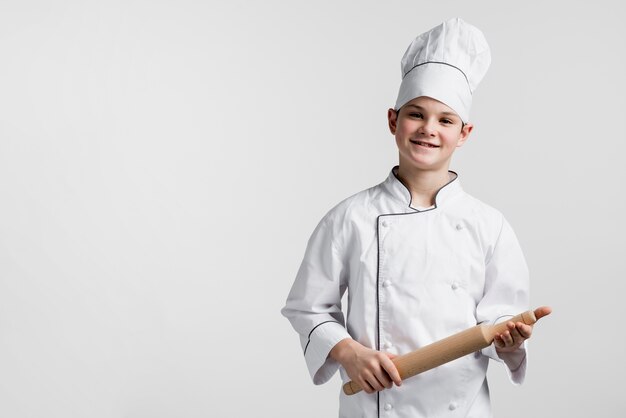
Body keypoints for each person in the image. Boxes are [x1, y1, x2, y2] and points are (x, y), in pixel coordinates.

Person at [281, 18, 549, 417]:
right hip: (376, 406)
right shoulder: (349, 218)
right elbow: (307, 308)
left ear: (464, 133)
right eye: (416, 115)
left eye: (445, 120)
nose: (428, 130)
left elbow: (499, 323)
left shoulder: (489, 226)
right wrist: (348, 352)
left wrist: (509, 341)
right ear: (393, 121)